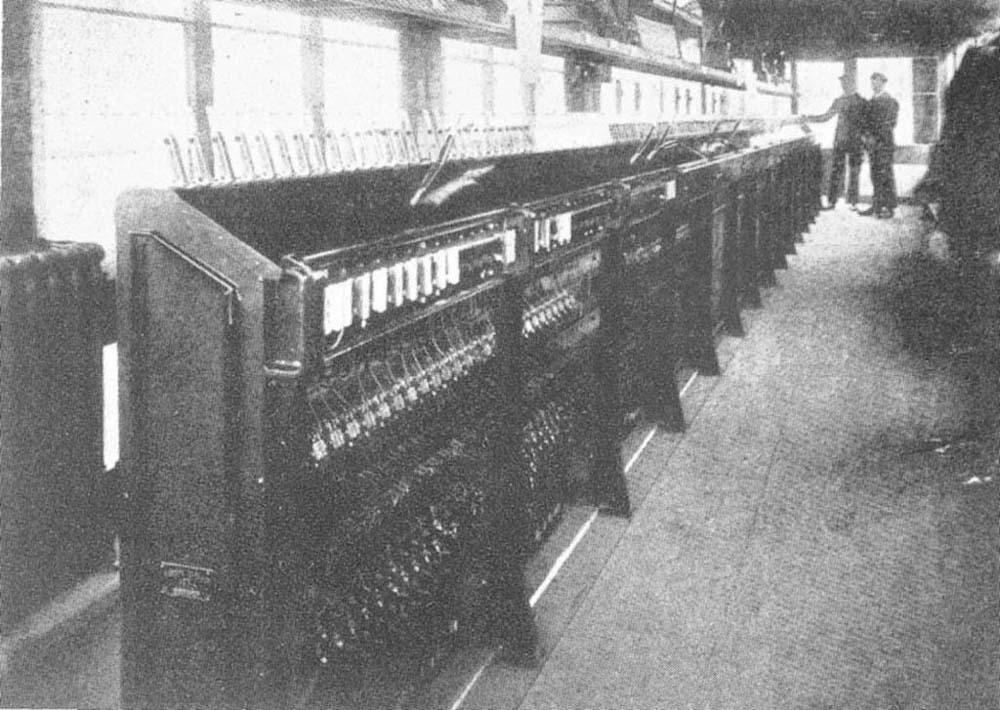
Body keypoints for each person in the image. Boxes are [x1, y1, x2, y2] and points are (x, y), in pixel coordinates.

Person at [799, 74, 868, 210]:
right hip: (841, 141)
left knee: (854, 172)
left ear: (853, 84)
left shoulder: (862, 102)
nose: (843, 86)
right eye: (842, 84)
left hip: (856, 141)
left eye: (846, 83)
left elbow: (867, 123)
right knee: (836, 171)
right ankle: (832, 202)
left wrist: (865, 141)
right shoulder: (839, 101)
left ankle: (853, 203)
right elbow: (826, 117)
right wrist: (808, 118)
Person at [860, 72, 899, 218]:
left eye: (877, 82)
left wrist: (874, 137)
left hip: (884, 144)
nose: (874, 84)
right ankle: (876, 206)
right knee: (875, 175)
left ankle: (889, 208)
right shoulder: (871, 101)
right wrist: (866, 137)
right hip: (873, 145)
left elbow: (890, 124)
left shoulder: (890, 101)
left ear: (883, 83)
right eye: (872, 82)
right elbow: (866, 122)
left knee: (886, 175)